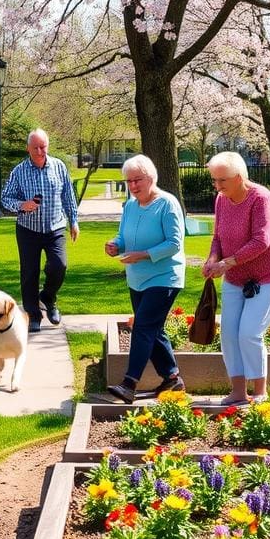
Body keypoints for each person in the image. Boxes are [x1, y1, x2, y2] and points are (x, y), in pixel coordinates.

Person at [203, 152, 270, 405]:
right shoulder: (221, 199)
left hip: (268, 274)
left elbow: (261, 241)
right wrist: (212, 259)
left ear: (239, 177)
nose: (217, 186)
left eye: (222, 181)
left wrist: (225, 263)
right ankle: (238, 391)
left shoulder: (260, 197)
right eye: (214, 181)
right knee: (229, 334)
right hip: (234, 277)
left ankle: (260, 392)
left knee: (250, 332)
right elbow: (218, 237)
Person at [104, 155, 186, 403]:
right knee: (153, 328)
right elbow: (123, 236)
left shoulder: (167, 204)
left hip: (164, 278)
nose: (133, 186)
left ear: (151, 178)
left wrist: (144, 255)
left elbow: (174, 243)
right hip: (137, 278)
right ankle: (172, 379)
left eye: (137, 180)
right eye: (129, 181)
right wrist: (116, 245)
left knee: (142, 326)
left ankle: (129, 383)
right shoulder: (130, 206)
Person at [1, 128, 79, 333]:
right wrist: (21, 205)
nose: (39, 151)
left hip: (55, 227)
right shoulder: (19, 171)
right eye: (35, 147)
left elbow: (68, 195)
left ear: (48, 146)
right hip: (28, 229)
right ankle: (33, 315)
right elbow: (5, 198)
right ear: (28, 148)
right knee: (29, 273)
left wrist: (74, 221)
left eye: (42, 146)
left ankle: (48, 298)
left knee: (59, 266)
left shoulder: (59, 167)